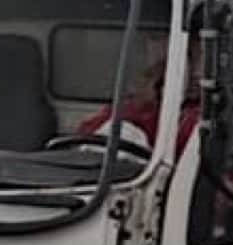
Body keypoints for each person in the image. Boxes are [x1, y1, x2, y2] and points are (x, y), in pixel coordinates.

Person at [74, 32, 203, 154]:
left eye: (200, 60)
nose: (197, 73)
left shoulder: (194, 119)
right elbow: (84, 134)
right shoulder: (125, 109)